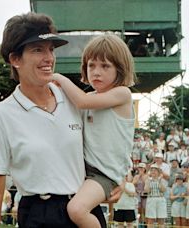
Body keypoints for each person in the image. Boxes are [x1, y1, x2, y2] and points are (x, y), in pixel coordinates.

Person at [0, 12, 117, 228]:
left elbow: (105, 148)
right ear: (15, 59)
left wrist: (115, 180)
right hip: (38, 215)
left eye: (51, 50)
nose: (49, 58)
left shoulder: (76, 100)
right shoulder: (1, 115)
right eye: (37, 50)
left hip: (82, 210)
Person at [53, 33, 136, 228]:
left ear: (120, 69)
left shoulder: (122, 94)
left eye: (105, 66)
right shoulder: (90, 96)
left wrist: (58, 78)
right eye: (91, 65)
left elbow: (82, 101)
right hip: (82, 168)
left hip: (103, 174)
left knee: (77, 209)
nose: (96, 72)